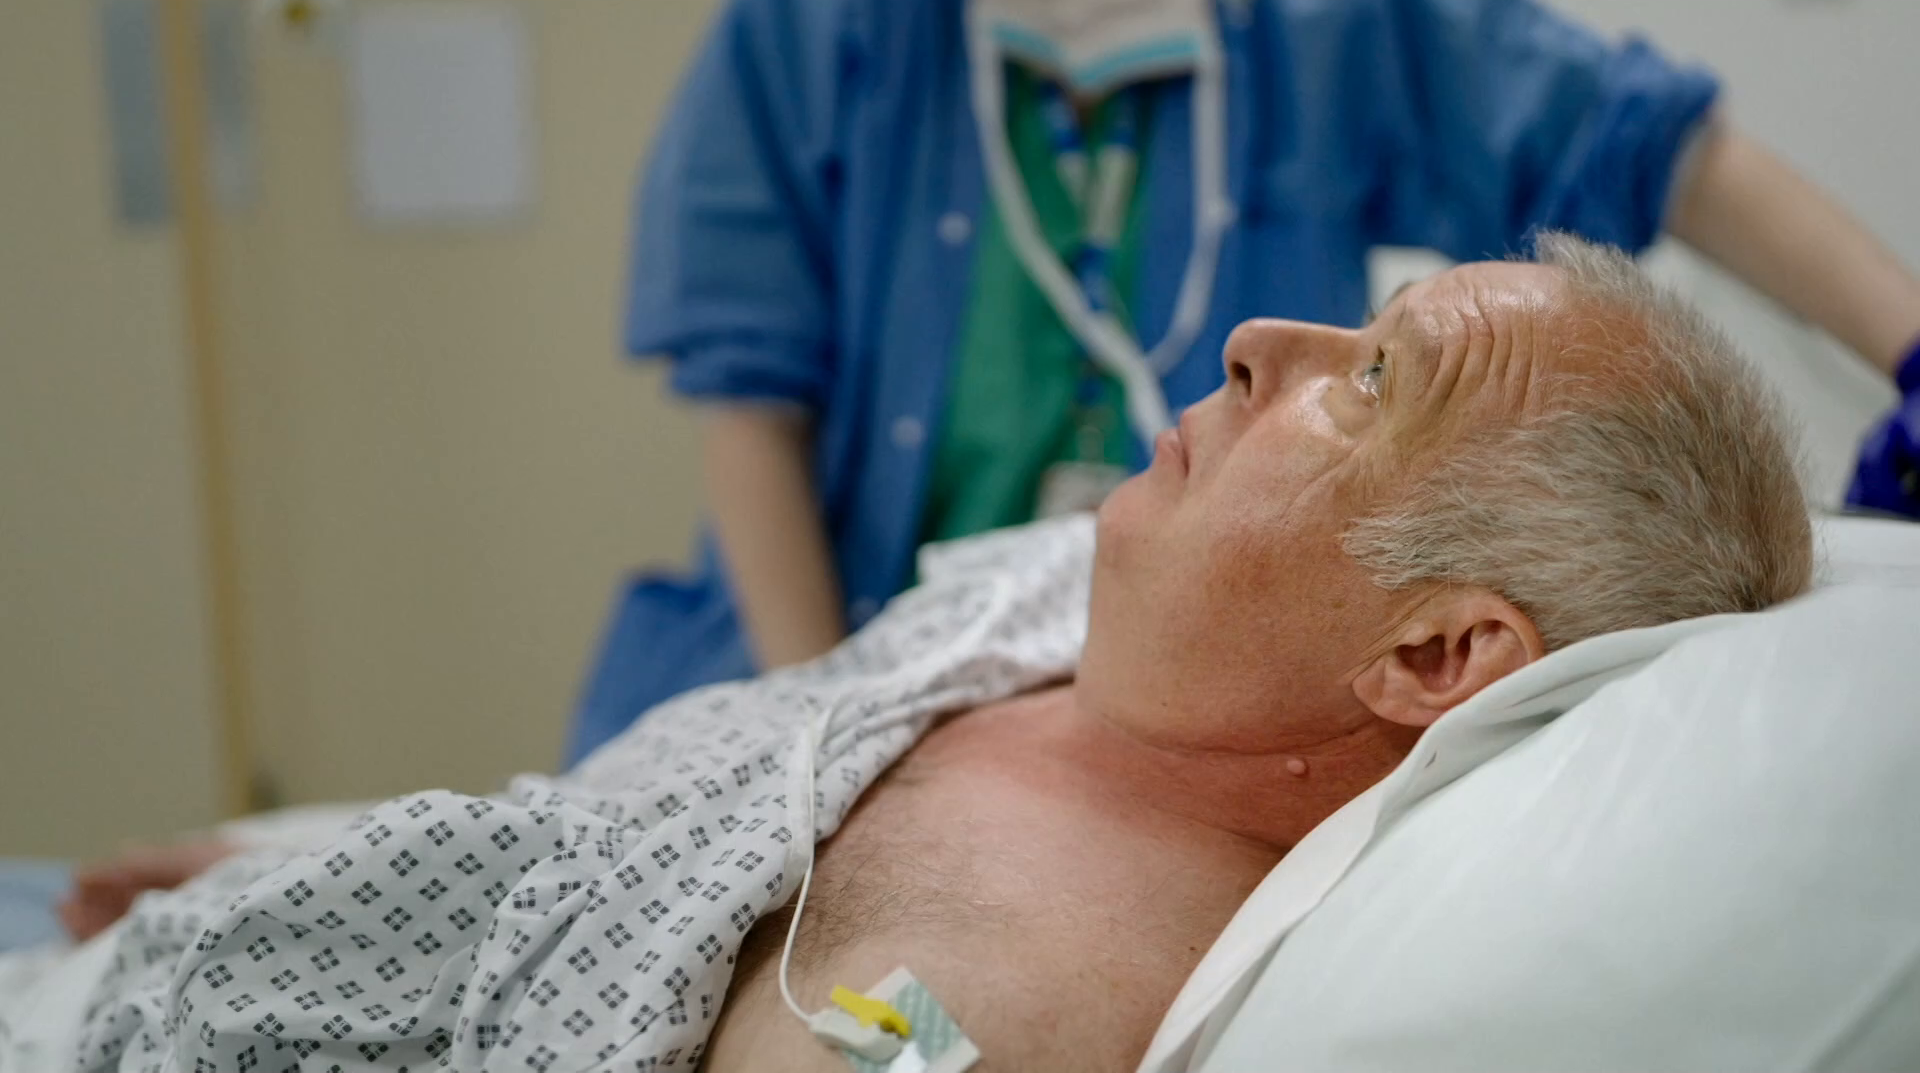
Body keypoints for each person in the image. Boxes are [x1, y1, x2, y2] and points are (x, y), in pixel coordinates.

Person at [12, 237, 1812, 1071]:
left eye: (1377, 382)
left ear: (1436, 657)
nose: (1263, 339)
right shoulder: (1048, 635)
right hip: (150, 951)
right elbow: (634, 834)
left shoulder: (1015, 984)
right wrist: (299, 870)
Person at [572, 0, 1920, 762]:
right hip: (823, 648)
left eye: (1380, 367)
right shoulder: (816, 29)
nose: (1257, 348)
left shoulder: (1336, 26)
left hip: (1158, 694)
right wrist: (825, 736)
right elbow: (748, 405)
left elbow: (1662, 147)